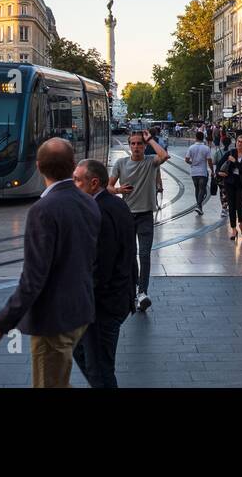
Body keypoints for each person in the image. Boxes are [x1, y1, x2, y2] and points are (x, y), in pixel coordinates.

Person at [0, 139, 100, 387]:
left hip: (53, 319)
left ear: (38, 166)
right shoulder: (89, 201)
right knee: (58, 380)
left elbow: (33, 278)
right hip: (80, 310)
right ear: (73, 165)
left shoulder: (44, 209)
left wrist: (1, 323)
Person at [70, 158, 137, 388]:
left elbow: (100, 265)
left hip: (103, 305)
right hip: (115, 298)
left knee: (100, 369)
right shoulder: (116, 204)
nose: (73, 184)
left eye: (77, 180)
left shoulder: (98, 211)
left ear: (94, 183)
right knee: (84, 354)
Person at [109, 128, 171, 312]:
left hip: (145, 215)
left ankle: (142, 292)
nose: (136, 147)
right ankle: (134, 288)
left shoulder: (151, 162)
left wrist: (150, 139)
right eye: (133, 144)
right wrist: (119, 191)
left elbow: (164, 155)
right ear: (129, 146)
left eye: (139, 144)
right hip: (126, 216)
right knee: (130, 255)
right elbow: (109, 186)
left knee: (144, 255)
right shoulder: (120, 163)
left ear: (144, 146)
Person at [218, 134, 242, 238]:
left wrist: (235, 161)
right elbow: (219, 165)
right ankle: (233, 229)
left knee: (240, 204)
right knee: (231, 205)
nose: (239, 143)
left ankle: (241, 224)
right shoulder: (231, 153)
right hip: (230, 182)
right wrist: (219, 173)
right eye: (238, 141)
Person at [184, 130, 214, 216]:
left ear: (196, 138)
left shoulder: (191, 147)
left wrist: (192, 163)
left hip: (194, 172)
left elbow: (186, 159)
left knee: (197, 189)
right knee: (202, 189)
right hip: (202, 171)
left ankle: (199, 206)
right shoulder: (206, 148)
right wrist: (212, 170)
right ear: (203, 138)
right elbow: (209, 160)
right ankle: (199, 206)